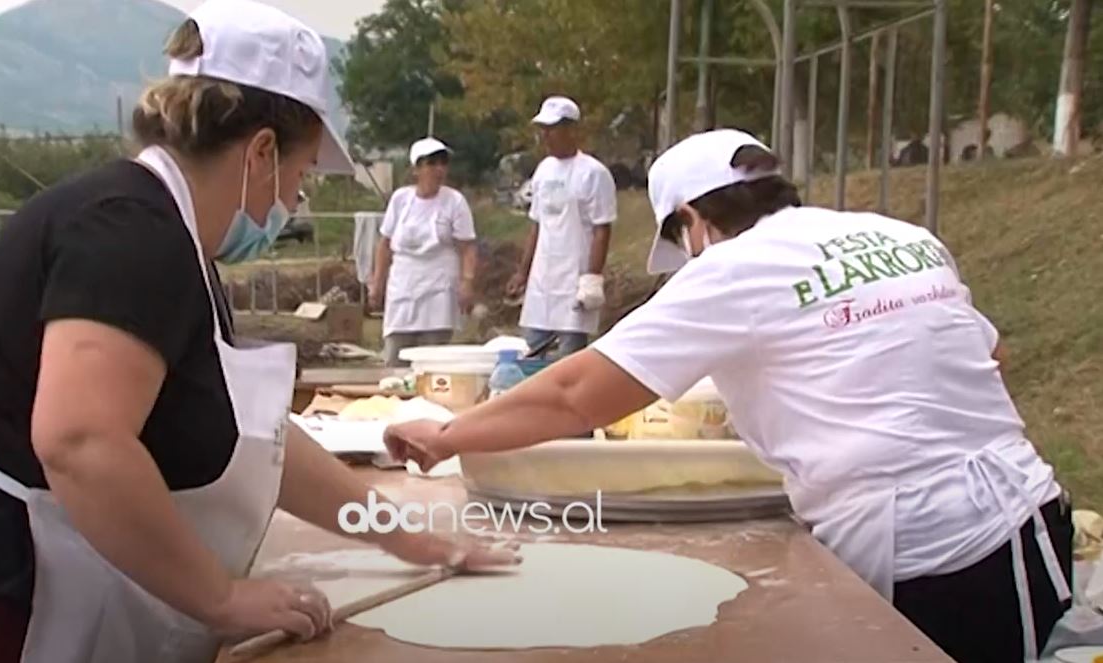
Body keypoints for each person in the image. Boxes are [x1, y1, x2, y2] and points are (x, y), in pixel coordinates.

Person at [0, 3, 516, 662]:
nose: (294, 202)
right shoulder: (128, 234)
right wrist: (220, 596)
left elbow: (261, 443)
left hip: (10, 586)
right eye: (299, 177)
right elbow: (80, 439)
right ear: (262, 151)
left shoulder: (171, 243)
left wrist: (406, 534)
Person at [387, 129, 1073, 663]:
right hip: (1030, 515)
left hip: (935, 551)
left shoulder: (731, 266)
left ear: (691, 218)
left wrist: (446, 434)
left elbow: (575, 394)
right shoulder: (898, 236)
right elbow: (989, 353)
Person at [506, 96, 617, 357]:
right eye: (543, 130)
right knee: (532, 352)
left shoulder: (593, 173)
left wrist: (592, 278)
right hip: (542, 279)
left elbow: (602, 228)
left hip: (573, 277)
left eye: (552, 129)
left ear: (571, 130)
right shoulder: (544, 170)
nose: (546, 136)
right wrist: (522, 272)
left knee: (567, 356)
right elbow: (536, 225)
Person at [369, 137, 478, 367]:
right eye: (431, 163)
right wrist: (377, 282)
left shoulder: (454, 201)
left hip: (438, 287)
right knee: (395, 355)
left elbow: (467, 247)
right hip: (403, 285)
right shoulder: (401, 199)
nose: (439, 169)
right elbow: (385, 243)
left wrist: (467, 282)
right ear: (416, 169)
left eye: (443, 163)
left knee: (433, 359)